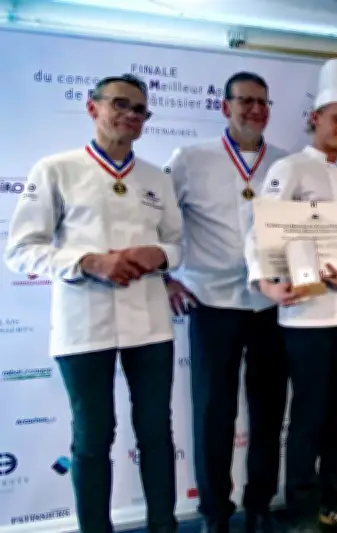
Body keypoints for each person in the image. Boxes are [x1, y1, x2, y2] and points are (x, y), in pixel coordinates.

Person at [4, 74, 182, 533]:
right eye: (120, 104)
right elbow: (21, 249)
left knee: (156, 435)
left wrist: (158, 254)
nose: (130, 115)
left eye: (140, 109)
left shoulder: (156, 178)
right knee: (92, 439)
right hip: (83, 324)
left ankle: (164, 526)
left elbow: (179, 244)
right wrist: (87, 261)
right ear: (92, 108)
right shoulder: (56, 169)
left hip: (150, 326)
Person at [245, 58, 337, 533]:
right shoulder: (289, 168)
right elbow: (259, 233)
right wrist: (265, 283)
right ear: (314, 119)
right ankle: (300, 511)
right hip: (306, 318)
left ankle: (331, 501)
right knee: (309, 416)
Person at [162, 72, 289, 533]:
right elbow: (155, 220)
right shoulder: (191, 160)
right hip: (212, 303)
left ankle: (259, 505)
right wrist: (166, 279)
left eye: (262, 102)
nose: (255, 110)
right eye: (245, 101)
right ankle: (215, 512)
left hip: (271, 305)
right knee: (215, 414)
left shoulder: (284, 161)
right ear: (225, 106)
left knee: (269, 411)